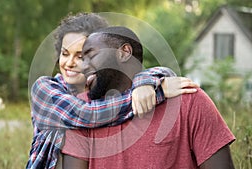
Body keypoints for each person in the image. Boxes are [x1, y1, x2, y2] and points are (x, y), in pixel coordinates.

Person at [27, 13, 199, 169]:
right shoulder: (44, 89)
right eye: (65, 54)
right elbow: (86, 114)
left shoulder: (106, 93)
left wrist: (145, 83)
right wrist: (156, 92)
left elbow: (158, 73)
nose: (70, 62)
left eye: (80, 56)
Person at [61, 26, 236, 169]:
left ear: (124, 53)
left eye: (90, 56)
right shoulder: (80, 112)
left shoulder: (189, 99)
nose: (82, 67)